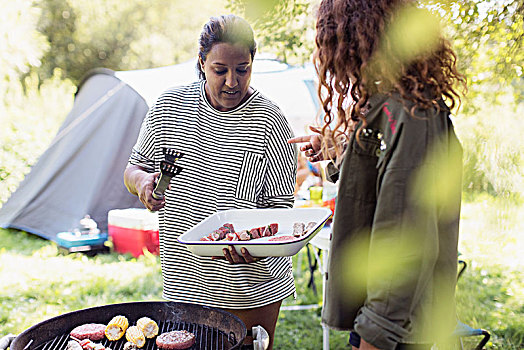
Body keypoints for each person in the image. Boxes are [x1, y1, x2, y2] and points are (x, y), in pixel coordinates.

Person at [289, 0, 467, 349]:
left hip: (395, 325)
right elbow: (379, 164)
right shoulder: (391, 100)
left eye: (333, 39)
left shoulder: (412, 112)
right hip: (386, 316)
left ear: (357, 37)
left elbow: (404, 236)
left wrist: (375, 333)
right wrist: (338, 147)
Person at [124, 14, 296, 349]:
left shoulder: (270, 121)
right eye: (221, 70)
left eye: (242, 69)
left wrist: (256, 249)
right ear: (202, 63)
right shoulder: (167, 108)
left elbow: (280, 210)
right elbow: (132, 170)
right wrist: (143, 183)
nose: (233, 81)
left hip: (253, 288)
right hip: (185, 285)